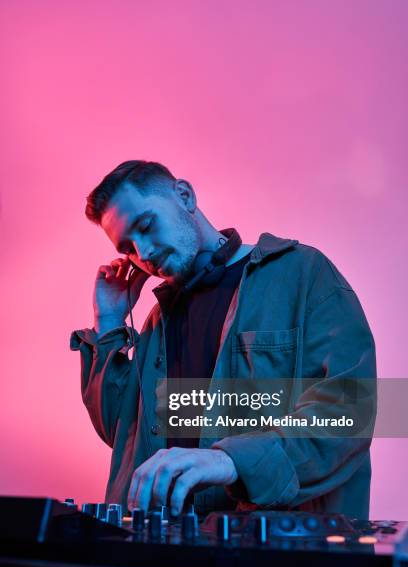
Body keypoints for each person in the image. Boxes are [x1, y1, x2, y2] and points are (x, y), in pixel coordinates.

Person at [70, 160, 376, 519]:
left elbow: (349, 410)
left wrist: (230, 460)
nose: (145, 253)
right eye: (128, 248)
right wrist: (108, 321)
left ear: (184, 195)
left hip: (273, 561)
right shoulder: (158, 321)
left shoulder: (303, 274)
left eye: (147, 225)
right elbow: (122, 435)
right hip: (166, 559)